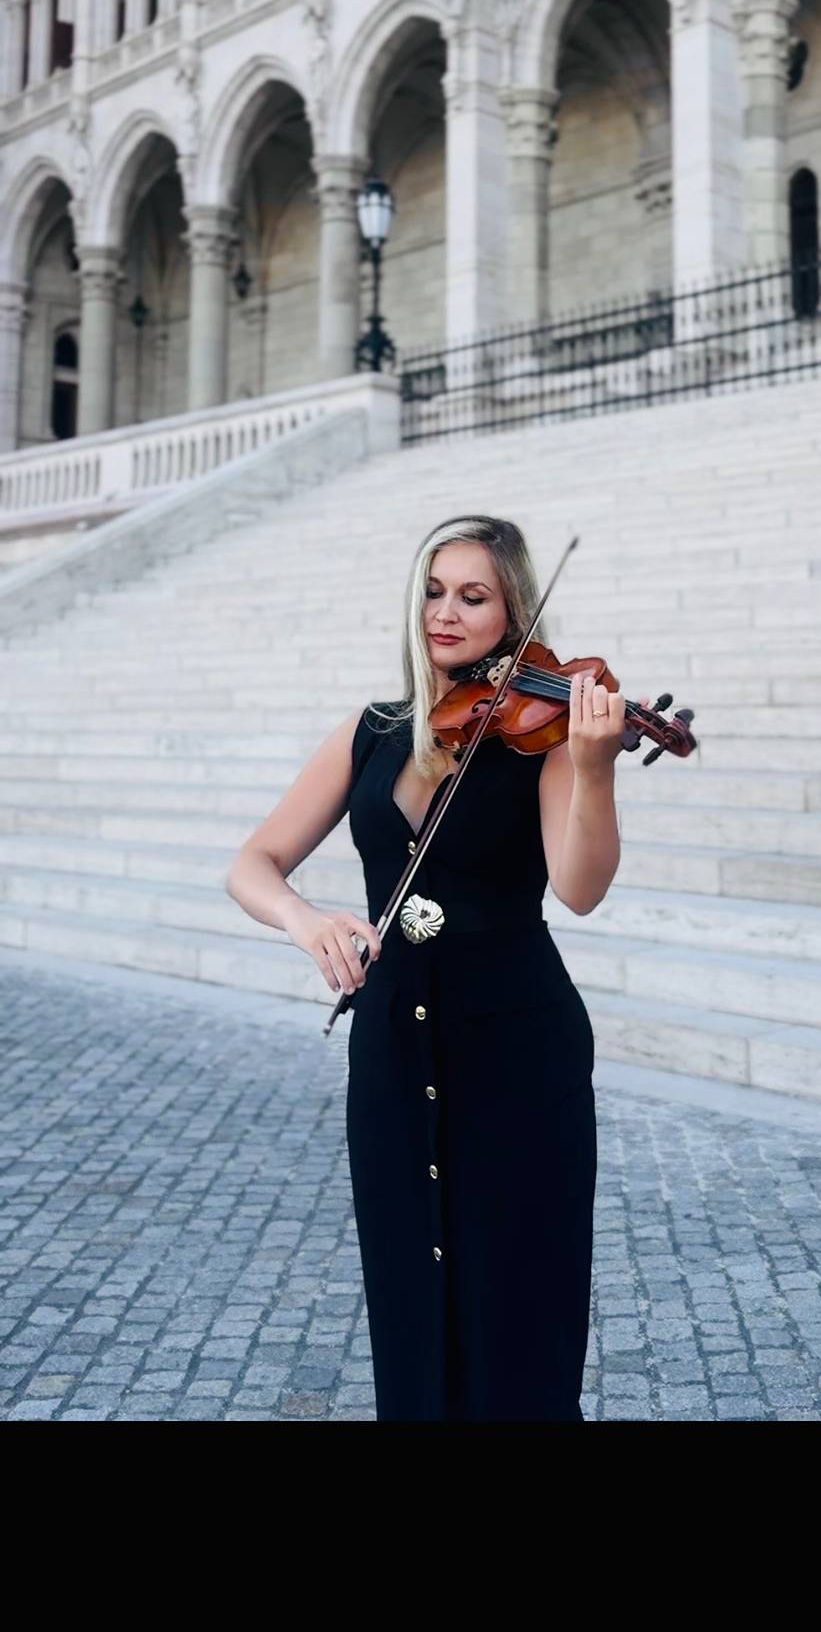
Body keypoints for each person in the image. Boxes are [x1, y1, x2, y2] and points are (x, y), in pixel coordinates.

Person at [225, 511, 632, 1421]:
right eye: (434, 591)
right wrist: (305, 920)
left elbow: (581, 888)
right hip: (392, 1053)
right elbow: (253, 864)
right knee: (409, 1296)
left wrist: (596, 767)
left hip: (517, 1048)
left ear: (513, 609)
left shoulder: (544, 735)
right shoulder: (373, 729)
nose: (445, 613)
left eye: (473, 596)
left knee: (519, 1306)